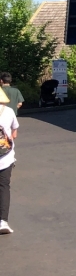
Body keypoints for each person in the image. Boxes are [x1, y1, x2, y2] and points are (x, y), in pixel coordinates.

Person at [0, 87, 19, 235]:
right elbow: (14, 133)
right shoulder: (9, 111)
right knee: (4, 187)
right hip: (5, 157)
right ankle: (3, 221)